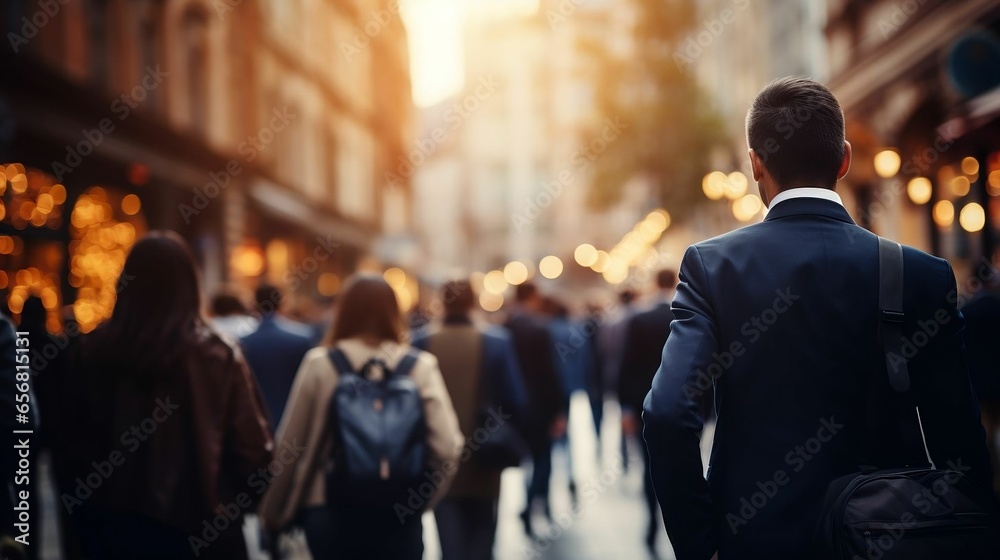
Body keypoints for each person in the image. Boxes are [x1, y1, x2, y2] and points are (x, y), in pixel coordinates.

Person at [643, 77, 992, 560]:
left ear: (755, 163)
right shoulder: (922, 274)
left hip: (756, 541)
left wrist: (700, 545)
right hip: (893, 538)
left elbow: (666, 414)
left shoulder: (713, 266)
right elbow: (959, 434)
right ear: (844, 159)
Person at [53, 231, 273, 560]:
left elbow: (65, 451)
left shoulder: (90, 351)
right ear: (190, 286)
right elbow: (253, 455)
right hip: (203, 534)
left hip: (108, 535)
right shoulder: (218, 355)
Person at [258, 274, 463, 560]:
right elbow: (447, 447)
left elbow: (291, 445)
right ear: (394, 311)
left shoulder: (321, 364)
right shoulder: (420, 367)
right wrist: (422, 500)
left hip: (329, 510)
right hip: (399, 511)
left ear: (344, 311)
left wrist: (272, 511)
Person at [412, 280, 526, 560]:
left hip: (437, 464)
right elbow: (516, 400)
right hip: (484, 462)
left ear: (443, 301)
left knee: (450, 546)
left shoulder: (420, 342)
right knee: (482, 542)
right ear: (473, 302)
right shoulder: (496, 341)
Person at [619, 268, 676, 550]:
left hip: (646, 404)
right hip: (683, 405)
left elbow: (627, 368)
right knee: (684, 462)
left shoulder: (639, 320)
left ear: (656, 283)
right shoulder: (686, 314)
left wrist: (626, 410)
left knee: (649, 465)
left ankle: (653, 519)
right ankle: (677, 523)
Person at [504, 282, 566, 536]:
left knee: (521, 458)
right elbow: (549, 374)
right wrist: (559, 410)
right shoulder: (539, 329)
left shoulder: (502, 327)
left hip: (511, 408)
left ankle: (531, 503)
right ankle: (533, 503)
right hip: (539, 407)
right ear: (532, 297)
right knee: (542, 459)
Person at [240, 284, 314, 428]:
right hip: (293, 421)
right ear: (282, 303)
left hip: (255, 422)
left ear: (254, 304)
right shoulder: (302, 338)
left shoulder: (242, 342)